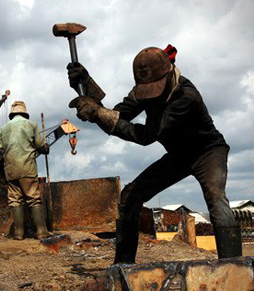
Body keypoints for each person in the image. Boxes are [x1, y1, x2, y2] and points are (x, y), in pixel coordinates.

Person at [67, 46, 242, 263]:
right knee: (131, 196)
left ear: (169, 74)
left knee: (216, 199)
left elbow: (146, 136)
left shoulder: (187, 97)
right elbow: (119, 115)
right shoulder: (144, 90)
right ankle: (123, 267)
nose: (151, 96)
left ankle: (234, 267)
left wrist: (98, 113)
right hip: (179, 155)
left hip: (208, 151)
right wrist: (87, 87)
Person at [0, 101, 51, 240]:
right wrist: (45, 147)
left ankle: (18, 234)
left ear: (12, 113)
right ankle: (42, 232)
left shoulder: (3, 128)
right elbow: (39, 145)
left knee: (15, 200)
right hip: (27, 168)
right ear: (24, 112)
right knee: (33, 198)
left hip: (11, 170)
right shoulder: (31, 125)